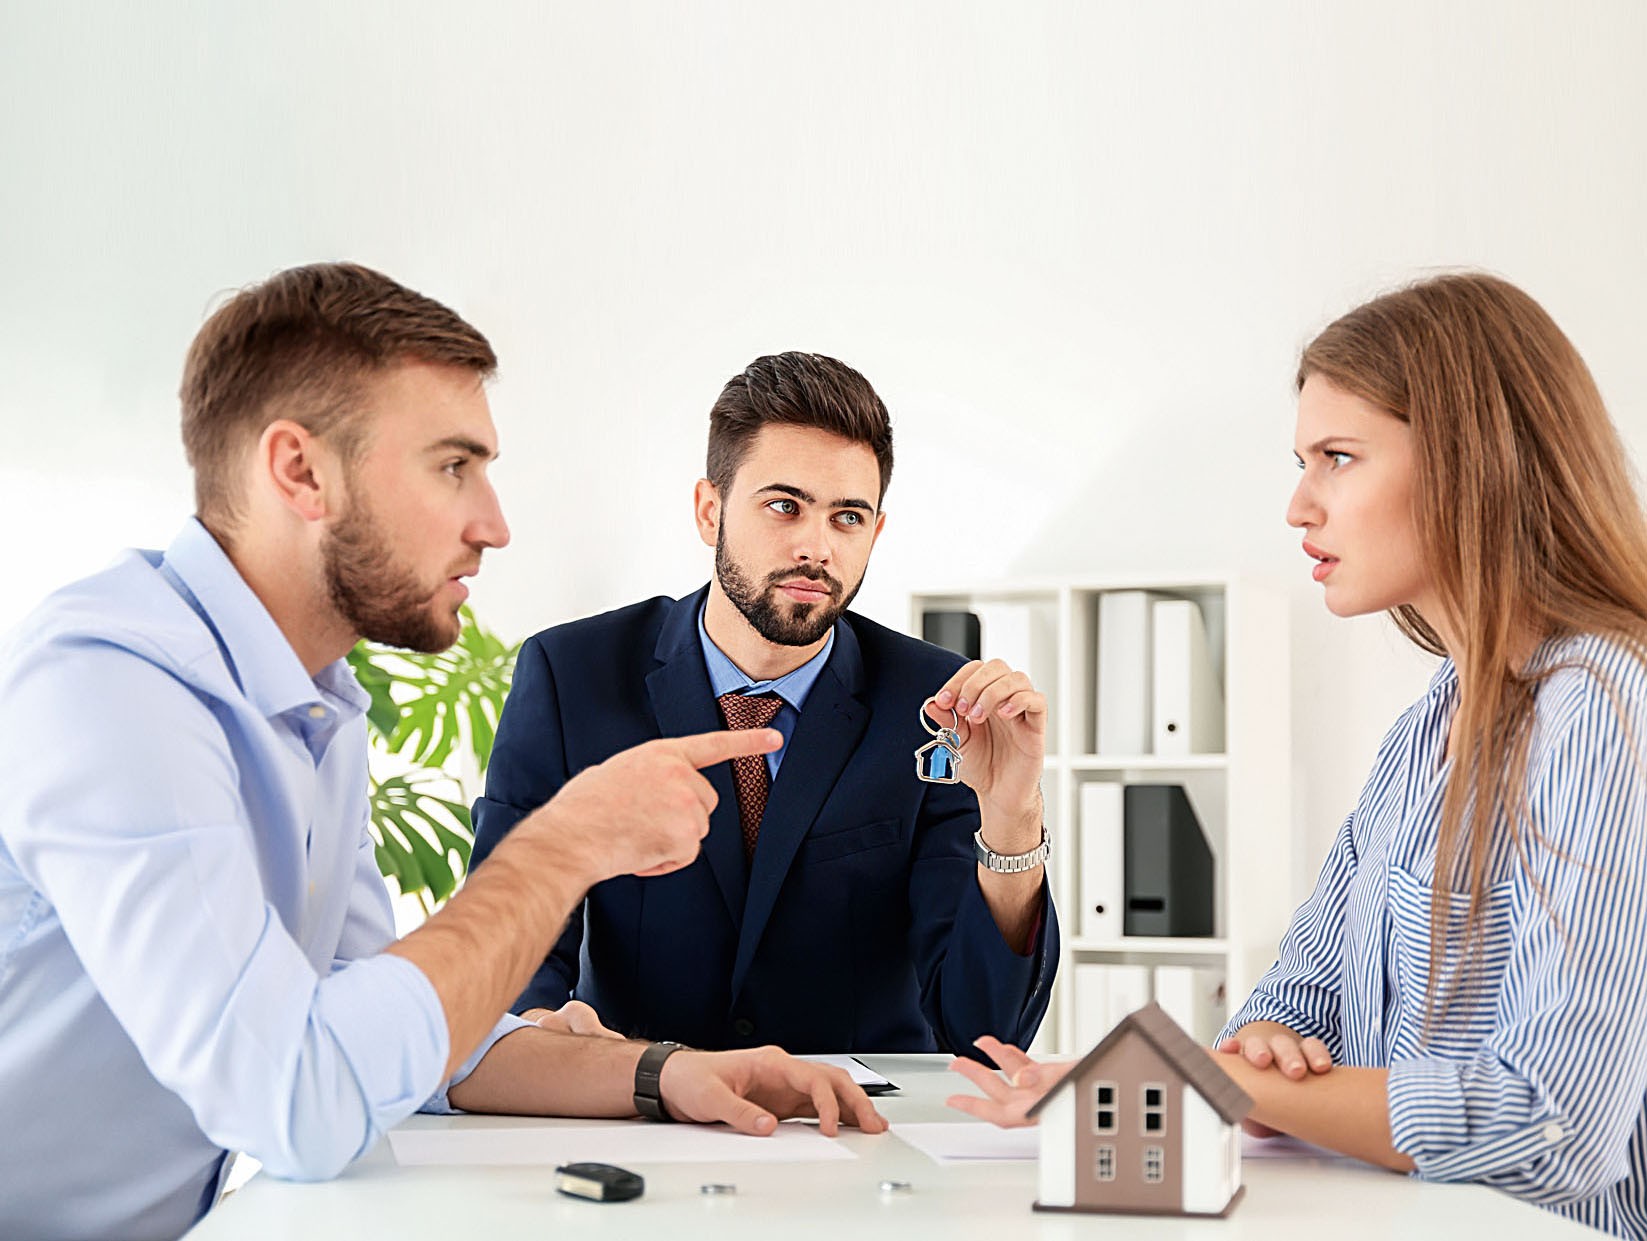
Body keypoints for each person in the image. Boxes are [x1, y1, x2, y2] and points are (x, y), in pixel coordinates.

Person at [0, 265, 885, 1241]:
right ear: (300, 471)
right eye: (452, 466)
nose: (492, 524)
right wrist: (563, 845)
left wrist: (665, 1072)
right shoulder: (111, 683)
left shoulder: (313, 705)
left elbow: (394, 1035)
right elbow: (296, 1095)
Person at [945, 273, 1647, 1238]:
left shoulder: (1604, 711)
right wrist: (1263, 1049)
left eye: (1337, 458)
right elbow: (1292, 1000)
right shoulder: (1428, 726)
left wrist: (1214, 1080)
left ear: (1473, 463)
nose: (1297, 506)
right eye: (1301, 461)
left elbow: (1555, 1122)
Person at [471, 351, 1058, 1055]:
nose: (816, 546)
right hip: (643, 1101)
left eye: (847, 517)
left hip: (861, 1112)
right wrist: (543, 1031)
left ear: (874, 533)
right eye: (785, 506)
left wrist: (1012, 818)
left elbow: (985, 1033)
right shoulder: (572, 676)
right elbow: (509, 947)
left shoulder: (935, 704)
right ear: (709, 510)